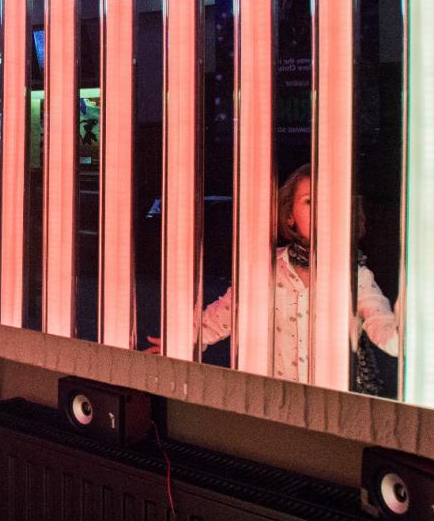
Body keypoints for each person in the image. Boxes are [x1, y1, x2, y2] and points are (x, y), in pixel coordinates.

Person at [146, 164, 398, 387]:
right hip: (273, 400)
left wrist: (408, 332)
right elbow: (224, 315)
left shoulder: (356, 277)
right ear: (289, 217)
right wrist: (181, 342)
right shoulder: (265, 268)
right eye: (310, 201)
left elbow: (383, 326)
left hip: (332, 406)